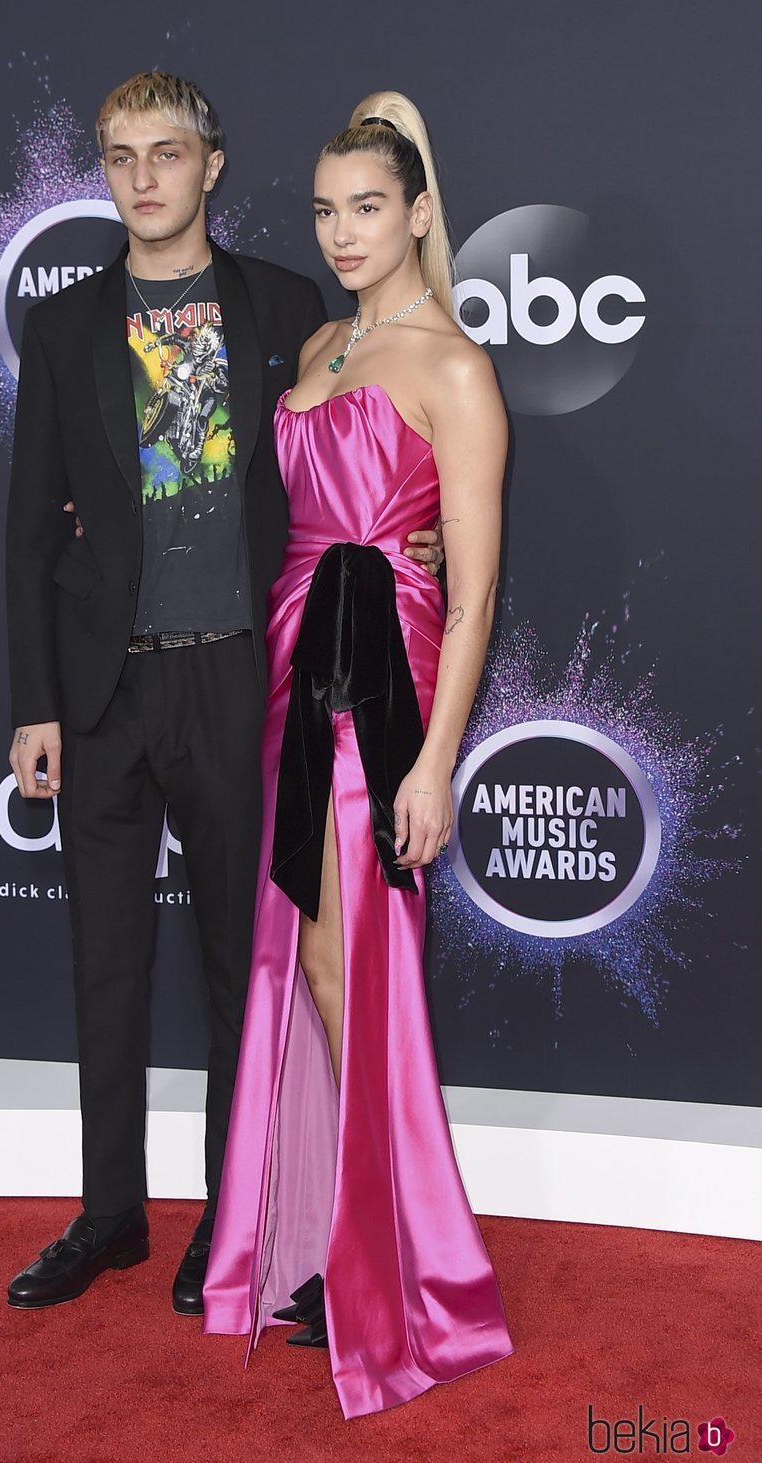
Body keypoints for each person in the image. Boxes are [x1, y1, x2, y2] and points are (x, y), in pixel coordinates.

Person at [4, 72, 443, 1317]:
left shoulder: (289, 306)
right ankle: (107, 1214)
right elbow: (28, 531)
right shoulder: (66, 325)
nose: (142, 175)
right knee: (104, 962)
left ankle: (227, 1217)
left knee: (232, 966)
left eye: (167, 152)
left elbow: (373, 456)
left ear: (212, 164)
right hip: (101, 691)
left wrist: (425, 543)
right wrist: (35, 699)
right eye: (119, 155)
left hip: (245, 678)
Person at [202, 92, 515, 1417]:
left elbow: (480, 587)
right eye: (326, 209)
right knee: (307, 957)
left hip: (378, 686)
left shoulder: (457, 368)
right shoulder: (320, 343)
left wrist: (436, 759)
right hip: (289, 664)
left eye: (368, 206)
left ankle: (405, 1265)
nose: (341, 231)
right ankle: (337, 1233)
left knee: (353, 961)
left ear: (420, 211)